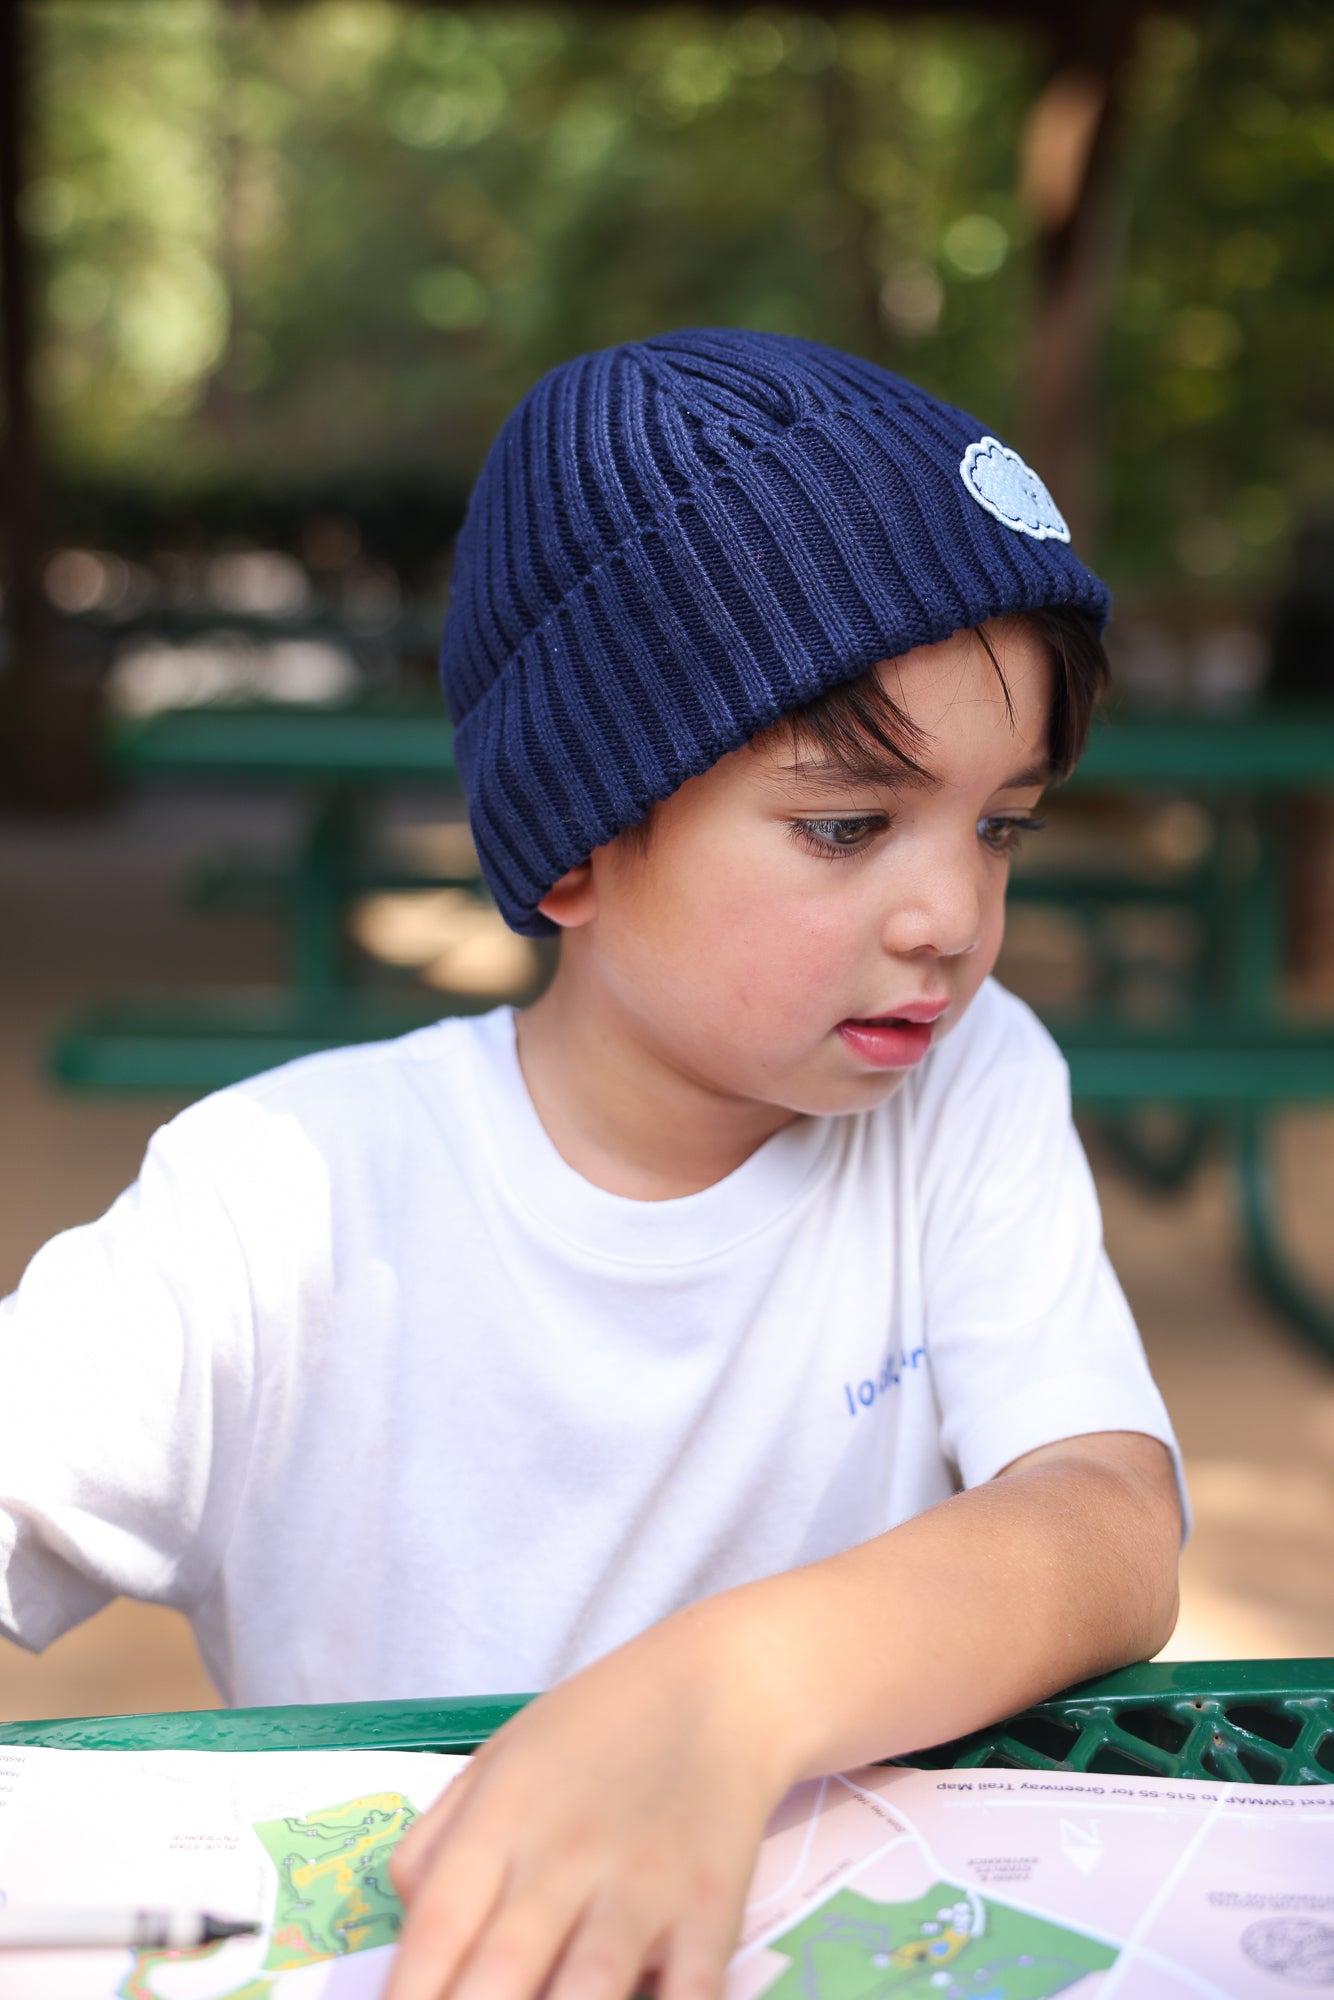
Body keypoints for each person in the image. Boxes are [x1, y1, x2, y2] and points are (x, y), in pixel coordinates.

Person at [0, 330, 1183, 2000]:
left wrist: (721, 1696)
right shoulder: (287, 1198)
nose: (949, 919)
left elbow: (1106, 1525)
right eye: (846, 826)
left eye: (999, 824)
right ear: (573, 847)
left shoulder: (967, 1093)